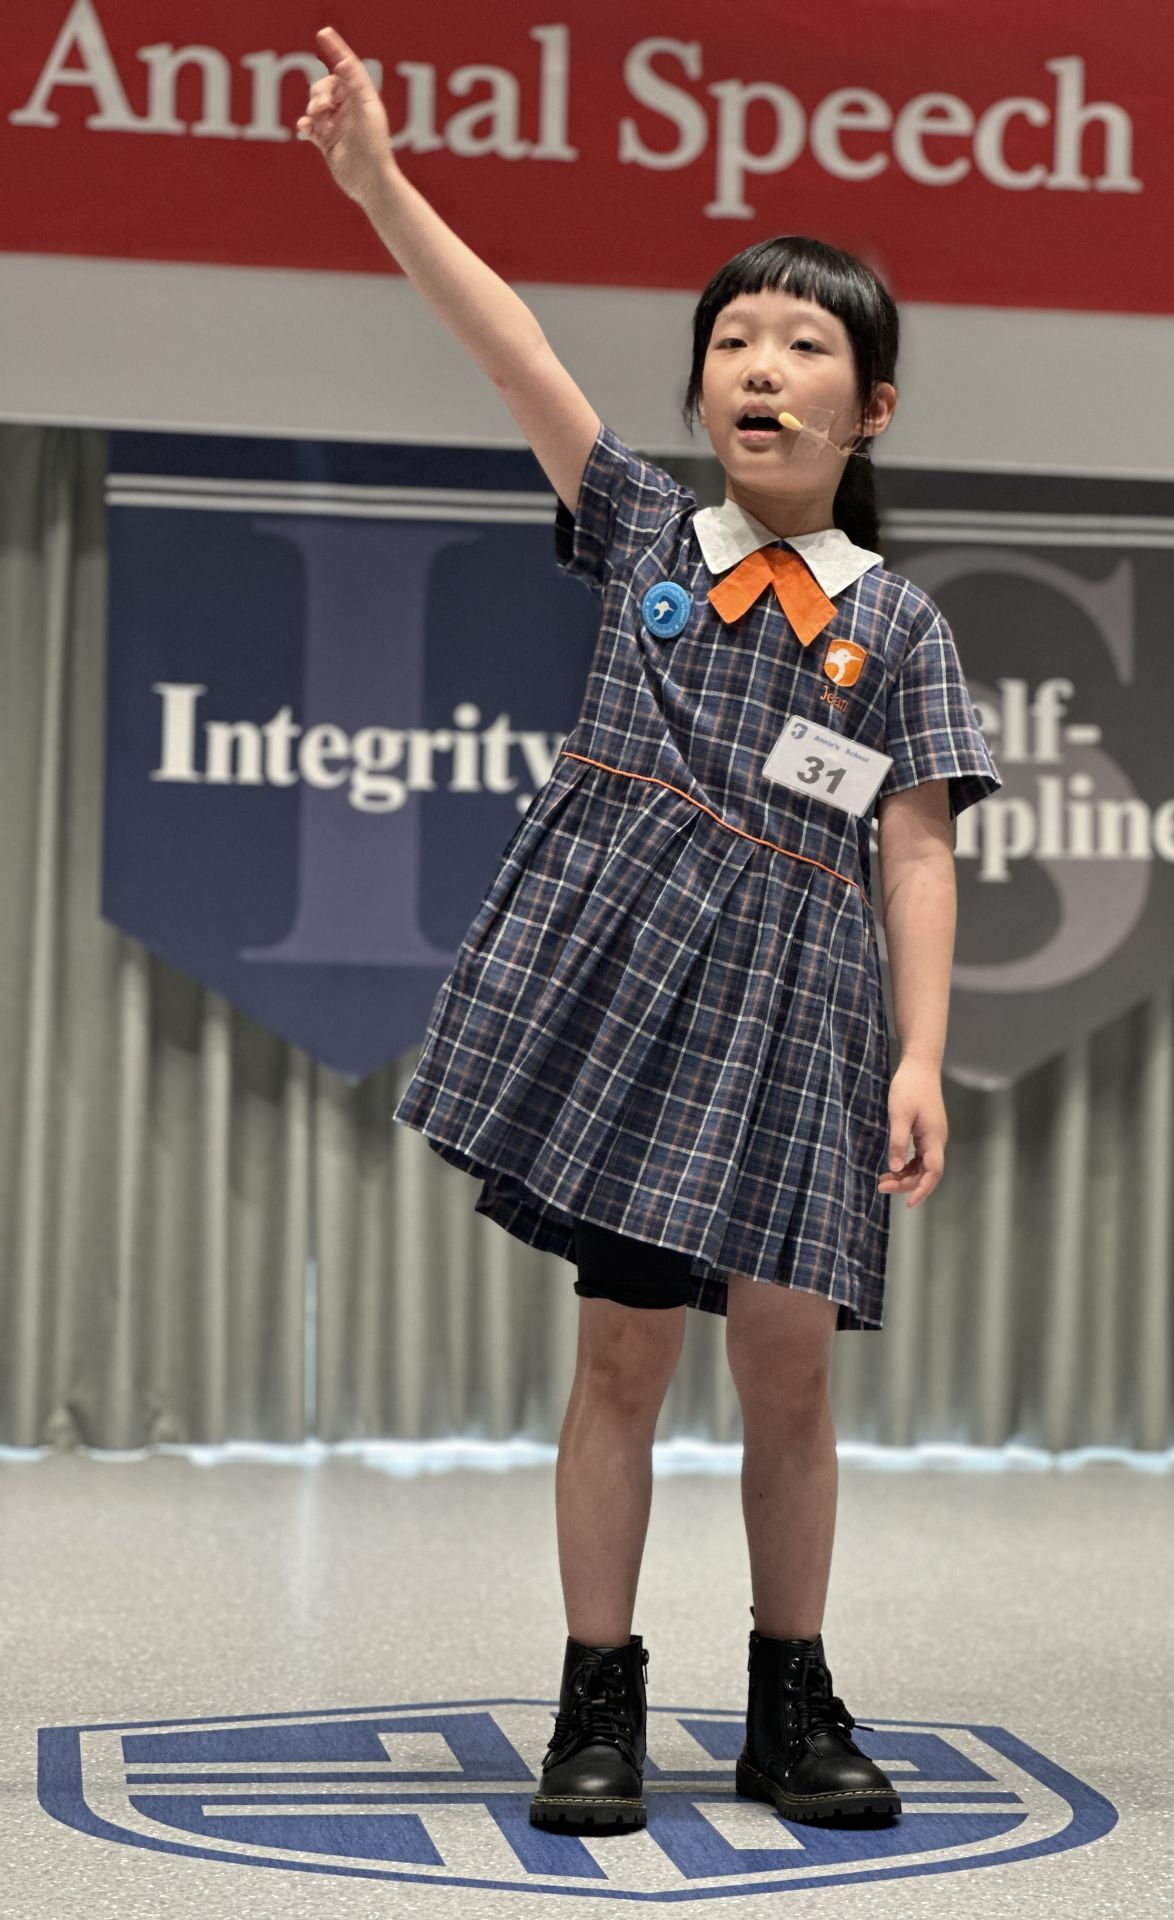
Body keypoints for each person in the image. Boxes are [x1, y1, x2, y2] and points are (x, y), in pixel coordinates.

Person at [299, 25, 1001, 1839]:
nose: (762, 365)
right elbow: (515, 348)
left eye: (806, 344)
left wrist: (924, 1055)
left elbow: (919, 853)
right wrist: (381, 182)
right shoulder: (641, 535)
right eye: (735, 338)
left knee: (789, 1377)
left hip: (803, 1012)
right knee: (621, 1356)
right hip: (629, 992)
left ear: (871, 411)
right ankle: (596, 1693)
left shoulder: (901, 626)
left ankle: (791, 1697)